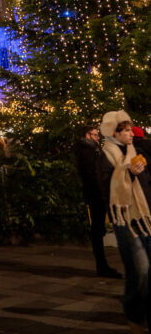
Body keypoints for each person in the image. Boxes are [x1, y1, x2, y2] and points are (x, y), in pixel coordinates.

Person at [99, 111, 151, 334]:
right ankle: (134, 315)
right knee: (140, 270)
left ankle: (143, 315)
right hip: (125, 220)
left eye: (131, 129)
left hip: (145, 218)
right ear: (114, 132)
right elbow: (104, 188)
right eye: (126, 130)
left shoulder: (134, 151)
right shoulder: (104, 155)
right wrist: (126, 174)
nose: (131, 134)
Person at [74, 122, 121, 278]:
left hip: (96, 193)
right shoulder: (88, 151)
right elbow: (93, 175)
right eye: (95, 134)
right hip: (96, 194)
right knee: (97, 229)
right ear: (88, 135)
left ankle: (102, 265)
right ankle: (101, 265)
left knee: (98, 228)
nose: (97, 137)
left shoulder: (89, 150)